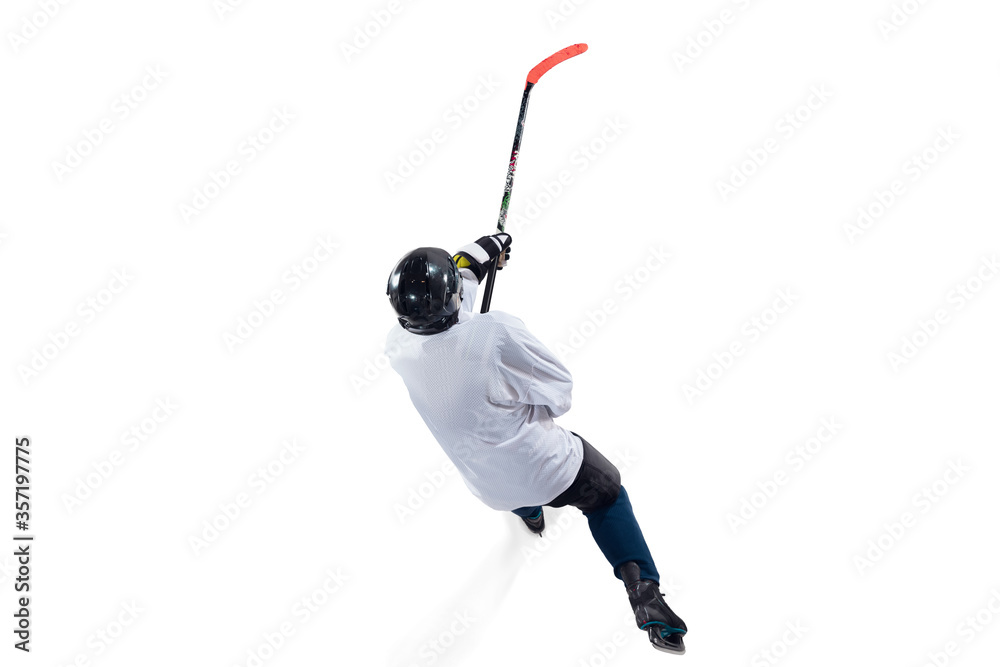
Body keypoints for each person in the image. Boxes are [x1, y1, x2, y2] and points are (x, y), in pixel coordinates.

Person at [384, 234, 688, 655]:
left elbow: (454, 301)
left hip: (488, 487)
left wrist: (480, 255)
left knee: (512, 482)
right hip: (547, 467)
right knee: (607, 495)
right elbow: (560, 394)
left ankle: (529, 515)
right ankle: (645, 596)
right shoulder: (496, 333)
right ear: (453, 297)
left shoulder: (398, 347)